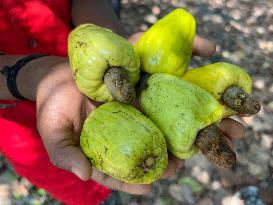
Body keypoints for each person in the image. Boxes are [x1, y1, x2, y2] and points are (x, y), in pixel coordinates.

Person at [0, 0, 246, 204]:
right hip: (25, 132)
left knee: (124, 177)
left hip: (116, 125)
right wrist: (36, 75)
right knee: (84, 189)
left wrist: (115, 41)